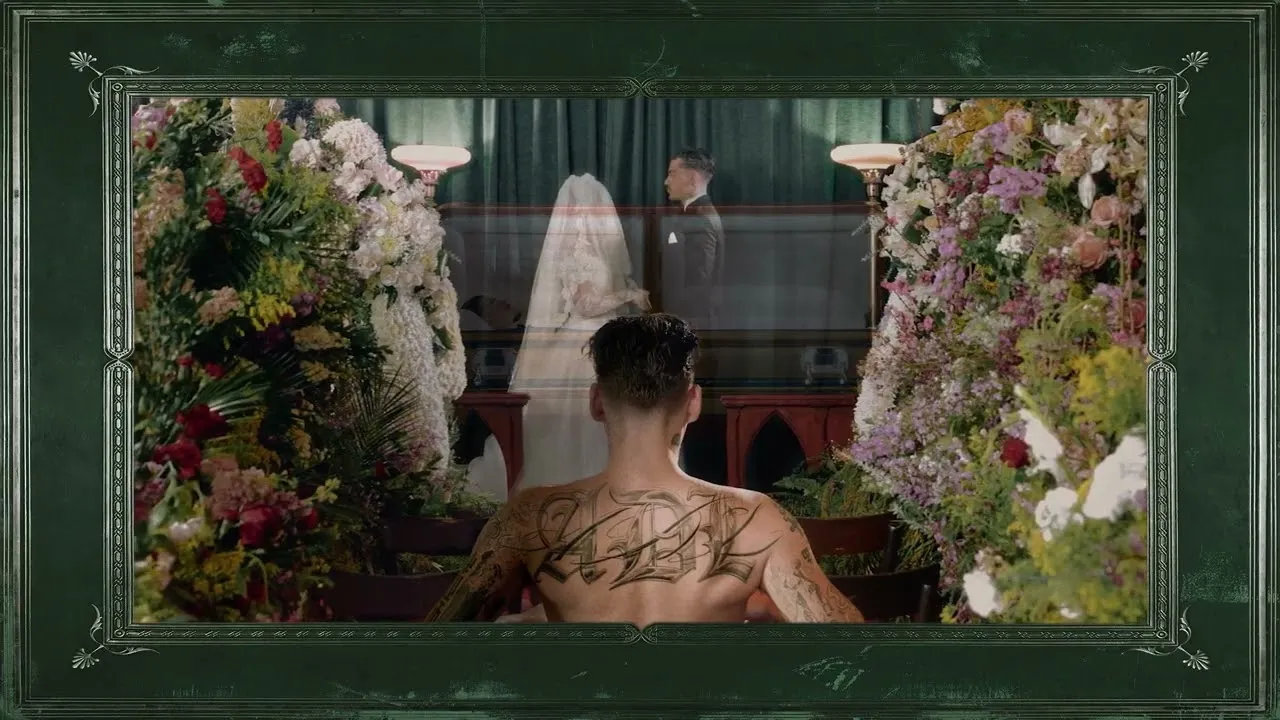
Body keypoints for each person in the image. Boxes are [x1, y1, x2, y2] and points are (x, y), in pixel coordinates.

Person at [425, 314, 864, 625]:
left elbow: (431, 643)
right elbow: (852, 647)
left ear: (596, 402)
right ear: (693, 403)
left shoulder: (531, 516)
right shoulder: (755, 519)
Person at [464, 174, 649, 501]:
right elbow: (585, 304)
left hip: (603, 338)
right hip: (583, 342)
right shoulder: (579, 254)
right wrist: (629, 295)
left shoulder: (595, 254)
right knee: (581, 422)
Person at [661, 149, 725, 331]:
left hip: (689, 324)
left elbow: (698, 281)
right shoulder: (696, 215)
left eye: (672, 174)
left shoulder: (700, 218)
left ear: (692, 178)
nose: (666, 182)